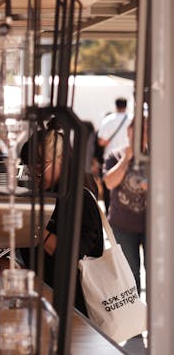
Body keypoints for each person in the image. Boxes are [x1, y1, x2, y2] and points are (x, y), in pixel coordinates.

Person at [20, 124, 103, 315]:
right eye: (29, 165)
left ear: (62, 160)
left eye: (41, 164)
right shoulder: (43, 194)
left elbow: (73, 252)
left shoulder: (79, 197)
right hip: (44, 300)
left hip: (75, 307)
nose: (34, 172)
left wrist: (34, 229)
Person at [102, 119, 147, 295]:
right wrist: (126, 159)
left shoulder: (157, 157)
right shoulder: (116, 155)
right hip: (123, 226)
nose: (140, 137)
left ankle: (155, 318)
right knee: (129, 275)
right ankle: (136, 319)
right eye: (135, 132)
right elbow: (109, 183)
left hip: (152, 227)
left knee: (155, 274)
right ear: (128, 132)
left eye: (144, 132)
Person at [97, 98, 131, 212]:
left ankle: (109, 212)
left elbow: (101, 141)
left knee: (108, 186)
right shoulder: (131, 119)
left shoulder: (108, 120)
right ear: (126, 106)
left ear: (115, 106)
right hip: (128, 156)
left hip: (111, 158)